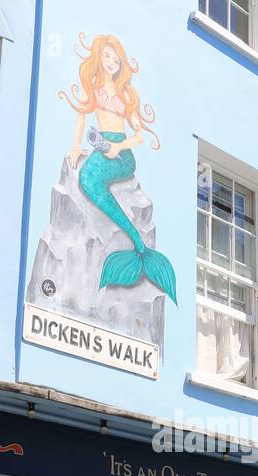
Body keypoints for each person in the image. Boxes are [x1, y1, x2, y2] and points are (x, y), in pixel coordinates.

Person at [61, 34, 177, 302]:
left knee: (90, 179)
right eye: (107, 57)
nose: (111, 62)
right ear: (99, 57)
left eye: (116, 59)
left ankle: (136, 241)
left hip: (122, 153)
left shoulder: (125, 93)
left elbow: (138, 136)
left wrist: (118, 146)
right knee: (88, 179)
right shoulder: (94, 86)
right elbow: (81, 115)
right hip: (102, 145)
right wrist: (77, 146)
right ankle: (136, 241)